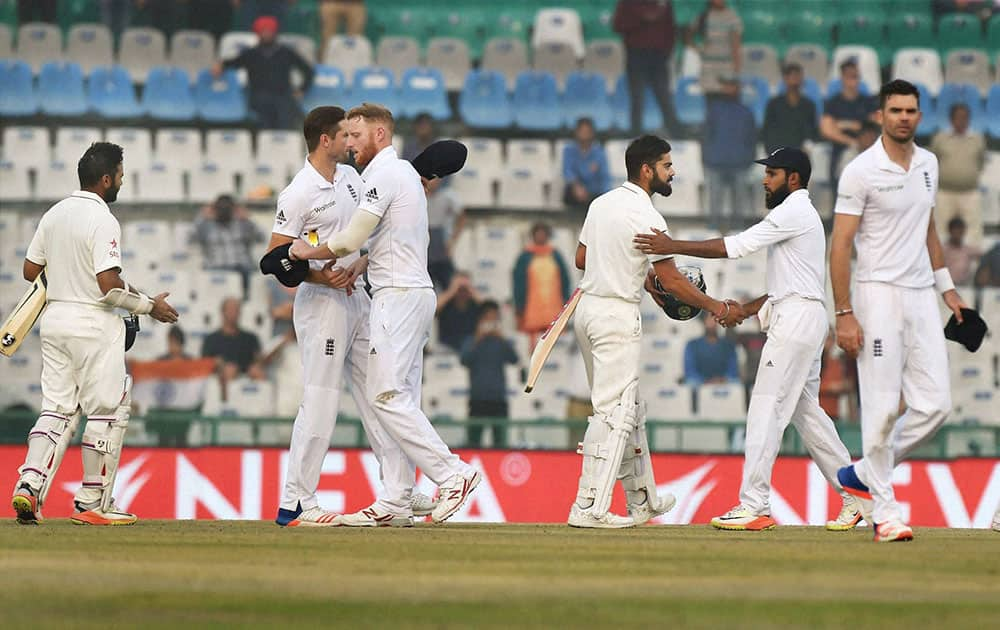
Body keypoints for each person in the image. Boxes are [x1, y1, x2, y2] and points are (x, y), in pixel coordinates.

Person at [634, 146, 864, 532]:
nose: (764, 179)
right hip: (800, 315)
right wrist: (743, 309)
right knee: (807, 416)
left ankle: (754, 503)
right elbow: (787, 286)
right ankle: (857, 496)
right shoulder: (795, 215)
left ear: (793, 179)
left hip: (795, 321)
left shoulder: (793, 211)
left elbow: (735, 247)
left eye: (772, 173)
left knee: (763, 409)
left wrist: (671, 246)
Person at [289, 103, 482, 524]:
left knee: (384, 395)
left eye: (355, 136)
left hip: (398, 297)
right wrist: (360, 264)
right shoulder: (398, 176)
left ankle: (454, 474)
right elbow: (384, 240)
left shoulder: (385, 175)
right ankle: (396, 499)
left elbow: (353, 236)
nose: (349, 144)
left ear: (379, 135)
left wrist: (308, 250)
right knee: (400, 395)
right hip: (408, 291)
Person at [267, 106, 430, 527]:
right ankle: (296, 502)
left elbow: (369, 232)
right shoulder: (299, 192)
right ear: (326, 140)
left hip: (359, 298)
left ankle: (399, 494)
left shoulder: (353, 179)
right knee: (321, 399)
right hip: (323, 307)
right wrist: (322, 278)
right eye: (344, 135)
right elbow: (275, 257)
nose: (351, 142)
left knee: (380, 395)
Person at [570, 134, 737, 529]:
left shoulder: (601, 204)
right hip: (616, 317)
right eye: (666, 165)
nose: (672, 171)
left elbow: (581, 258)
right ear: (647, 170)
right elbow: (673, 281)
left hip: (588, 312)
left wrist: (636, 271)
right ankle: (588, 507)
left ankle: (642, 498)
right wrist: (715, 307)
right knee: (613, 414)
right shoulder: (648, 216)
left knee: (630, 409)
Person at [11, 142, 179, 526]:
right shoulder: (103, 219)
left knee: (56, 409)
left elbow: (30, 270)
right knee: (108, 409)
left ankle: (29, 487)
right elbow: (108, 284)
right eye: (119, 175)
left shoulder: (55, 214)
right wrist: (149, 306)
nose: (121, 181)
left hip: (55, 321)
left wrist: (70, 279)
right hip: (93, 324)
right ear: (106, 179)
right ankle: (92, 503)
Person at [830, 79, 968, 542]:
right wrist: (844, 312)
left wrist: (947, 290)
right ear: (880, 116)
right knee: (883, 406)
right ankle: (885, 514)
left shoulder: (928, 163)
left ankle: (867, 471)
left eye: (910, 110)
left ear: (919, 116)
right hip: (877, 294)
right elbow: (841, 244)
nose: (903, 117)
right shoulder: (860, 171)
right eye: (895, 110)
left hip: (921, 295)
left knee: (936, 405)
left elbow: (926, 227)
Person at [213, 15, 314, 129]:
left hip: (282, 96)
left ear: (275, 32)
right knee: (264, 117)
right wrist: (221, 65)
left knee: (286, 114)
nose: (266, 34)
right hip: (259, 96)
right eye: (263, 31)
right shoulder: (251, 54)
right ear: (257, 33)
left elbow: (308, 70)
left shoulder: (286, 53)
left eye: (269, 31)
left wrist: (302, 89)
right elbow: (234, 62)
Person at [612, 0, 682, 134]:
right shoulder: (628, 3)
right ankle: (635, 135)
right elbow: (617, 25)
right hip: (636, 55)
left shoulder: (663, 3)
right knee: (637, 98)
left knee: (664, 96)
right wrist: (641, 18)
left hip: (659, 57)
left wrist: (666, 52)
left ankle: (677, 133)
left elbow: (671, 29)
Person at [461, 300, 519, 448]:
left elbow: (514, 359)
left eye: (495, 318)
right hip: (477, 399)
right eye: (489, 318)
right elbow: (464, 360)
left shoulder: (500, 341)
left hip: (498, 399)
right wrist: (478, 338)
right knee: (473, 443)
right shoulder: (471, 340)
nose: (492, 322)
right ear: (481, 320)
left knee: (500, 443)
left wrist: (502, 338)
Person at [702, 73, 756, 232]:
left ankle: (737, 231)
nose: (729, 88)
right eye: (726, 85)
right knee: (715, 202)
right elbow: (706, 135)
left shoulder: (746, 112)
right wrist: (707, 158)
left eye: (732, 85)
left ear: (738, 88)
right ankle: (713, 230)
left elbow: (751, 138)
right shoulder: (713, 110)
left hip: (740, 163)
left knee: (739, 203)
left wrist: (748, 159)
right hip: (715, 162)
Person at [930, 103, 986, 247]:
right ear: (951, 119)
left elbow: (980, 163)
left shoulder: (977, 139)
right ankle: (939, 266)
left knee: (973, 234)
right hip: (945, 192)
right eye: (958, 117)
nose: (961, 121)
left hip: (970, 192)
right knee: (941, 232)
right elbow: (933, 161)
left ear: (969, 119)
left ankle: (973, 268)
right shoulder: (940, 138)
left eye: (964, 117)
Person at [512, 222, 572, 349]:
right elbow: (518, 283)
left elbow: (565, 281)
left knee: (555, 342)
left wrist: (567, 303)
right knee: (534, 343)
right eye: (538, 234)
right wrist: (519, 305)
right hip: (531, 308)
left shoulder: (556, 255)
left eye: (543, 234)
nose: (540, 237)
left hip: (554, 307)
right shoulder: (525, 256)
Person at [192, 194, 266, 294]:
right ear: (215, 209)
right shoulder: (206, 225)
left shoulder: (243, 224)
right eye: (220, 208)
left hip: (241, 269)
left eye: (227, 208)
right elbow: (190, 239)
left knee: (252, 274)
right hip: (215, 268)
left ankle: (245, 298)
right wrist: (201, 216)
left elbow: (261, 237)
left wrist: (249, 218)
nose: (224, 211)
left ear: (233, 209)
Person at [821, 60, 878, 187]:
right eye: (850, 76)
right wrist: (852, 141)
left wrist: (842, 124)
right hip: (841, 149)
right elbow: (827, 129)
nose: (854, 79)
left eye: (856, 76)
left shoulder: (868, 102)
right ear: (842, 78)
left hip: (865, 150)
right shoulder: (833, 103)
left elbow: (874, 125)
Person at [201, 297, 265, 392]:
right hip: (221, 380)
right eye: (230, 310)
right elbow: (204, 365)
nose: (234, 313)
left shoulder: (250, 338)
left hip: (246, 378)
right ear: (223, 312)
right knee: (228, 374)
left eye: (236, 310)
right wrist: (220, 367)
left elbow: (258, 360)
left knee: (260, 374)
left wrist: (255, 368)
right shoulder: (211, 339)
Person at [689, 0, 742, 98]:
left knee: (727, 103)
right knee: (711, 104)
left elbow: (736, 47)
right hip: (707, 70)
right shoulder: (703, 16)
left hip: (726, 69)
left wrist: (736, 75)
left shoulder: (732, 17)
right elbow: (688, 36)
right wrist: (698, 49)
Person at [762, 63, 818, 154]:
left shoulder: (808, 105)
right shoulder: (774, 104)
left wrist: (806, 148)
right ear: (785, 79)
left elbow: (812, 132)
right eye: (792, 76)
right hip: (777, 153)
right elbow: (767, 131)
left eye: (798, 76)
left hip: (801, 155)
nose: (795, 79)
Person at [425, 174, 465, 291]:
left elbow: (462, 216)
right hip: (425, 238)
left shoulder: (448, 196)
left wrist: (453, 239)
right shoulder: (418, 194)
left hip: (441, 239)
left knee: (447, 283)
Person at [562, 118, 611, 209]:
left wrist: (606, 198)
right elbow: (567, 171)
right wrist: (576, 186)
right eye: (582, 131)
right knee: (569, 192)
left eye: (587, 131)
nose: (584, 134)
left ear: (592, 133)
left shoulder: (599, 152)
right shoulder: (568, 150)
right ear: (576, 132)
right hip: (575, 192)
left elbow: (605, 176)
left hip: (594, 193)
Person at [682, 315, 739, 386]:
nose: (712, 323)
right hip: (700, 383)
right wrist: (705, 381)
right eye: (709, 320)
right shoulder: (692, 345)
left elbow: (732, 370)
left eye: (715, 320)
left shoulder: (728, 345)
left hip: (723, 382)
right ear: (704, 322)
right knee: (691, 382)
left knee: (735, 382)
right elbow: (690, 371)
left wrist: (722, 380)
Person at [435, 271, 481, 353]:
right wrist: (452, 290)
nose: (462, 292)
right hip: (446, 346)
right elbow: (433, 310)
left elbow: (488, 310)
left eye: (465, 289)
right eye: (459, 289)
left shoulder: (474, 303)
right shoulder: (446, 303)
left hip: (471, 346)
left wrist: (471, 290)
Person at [819, 328, 856, 422]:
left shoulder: (838, 363)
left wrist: (844, 386)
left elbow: (849, 385)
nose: (829, 342)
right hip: (816, 413)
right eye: (827, 338)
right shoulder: (812, 363)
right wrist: (829, 387)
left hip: (834, 414)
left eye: (831, 339)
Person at [941, 217, 981, 286]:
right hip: (945, 287)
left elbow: (986, 257)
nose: (958, 234)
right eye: (955, 230)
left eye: (960, 231)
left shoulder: (969, 250)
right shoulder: (942, 250)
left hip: (964, 287)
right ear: (950, 230)